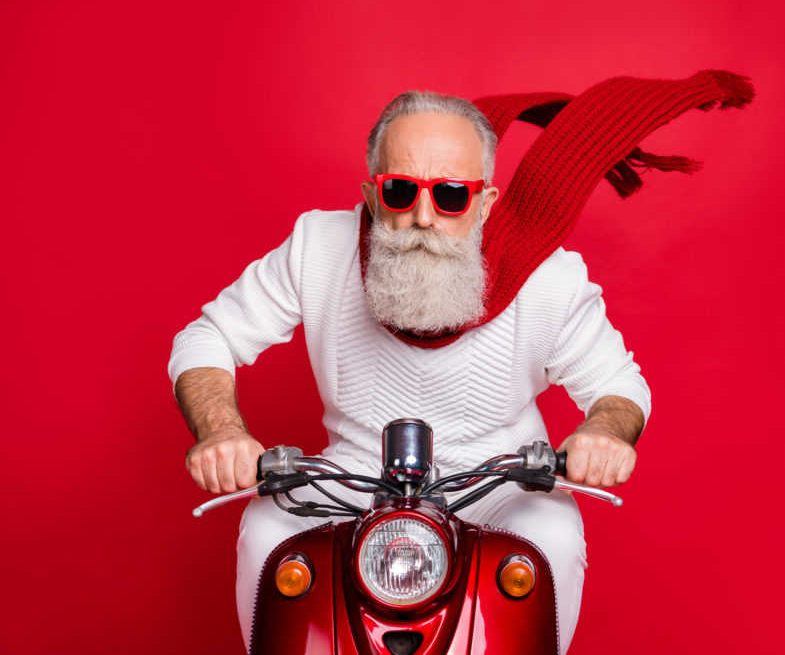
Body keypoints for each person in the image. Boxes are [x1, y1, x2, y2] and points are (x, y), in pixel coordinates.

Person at [170, 91, 649, 654]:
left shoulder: (550, 277)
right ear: (373, 196)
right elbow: (208, 337)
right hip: (352, 483)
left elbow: (620, 386)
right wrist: (222, 431)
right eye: (401, 191)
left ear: (486, 203)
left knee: (552, 534)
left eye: (450, 196)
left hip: (498, 486)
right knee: (267, 528)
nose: (423, 217)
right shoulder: (317, 248)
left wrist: (604, 433)